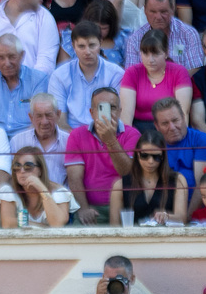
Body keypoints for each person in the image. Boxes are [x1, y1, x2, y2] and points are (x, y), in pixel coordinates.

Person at [66, 86, 139, 224]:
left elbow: (127, 173)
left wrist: (110, 140)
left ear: (120, 111)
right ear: (91, 112)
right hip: (91, 209)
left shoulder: (132, 134)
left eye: (112, 107)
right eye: (102, 108)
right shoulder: (77, 135)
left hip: (125, 208)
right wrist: (84, 208)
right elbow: (74, 177)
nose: (108, 112)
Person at [49, 20, 124, 130]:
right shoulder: (59, 75)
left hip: (105, 133)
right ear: (73, 46)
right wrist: (77, 141)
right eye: (81, 46)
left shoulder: (116, 74)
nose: (87, 52)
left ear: (100, 43)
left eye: (92, 45)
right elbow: (60, 121)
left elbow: (117, 116)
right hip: (70, 137)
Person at [119, 28, 192, 134]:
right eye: (145, 53)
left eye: (156, 54)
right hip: (139, 129)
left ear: (166, 53)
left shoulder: (179, 72)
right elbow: (126, 116)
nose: (150, 60)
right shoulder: (132, 73)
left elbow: (182, 113)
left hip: (169, 128)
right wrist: (129, 141)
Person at [0, 34, 49, 138]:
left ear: (22, 55)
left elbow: (38, 122)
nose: (7, 63)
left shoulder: (38, 80)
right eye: (1, 58)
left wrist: (18, 144)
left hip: (29, 140)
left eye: (12, 57)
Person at [109, 129, 187, 225]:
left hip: (166, 238)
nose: (150, 161)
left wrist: (166, 216)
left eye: (156, 157)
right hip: (133, 238)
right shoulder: (120, 185)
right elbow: (114, 225)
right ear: (137, 154)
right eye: (144, 155)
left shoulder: (177, 180)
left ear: (163, 156)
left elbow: (182, 218)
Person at [122, 0, 206, 72]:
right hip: (148, 85)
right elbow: (132, 74)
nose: (158, 17)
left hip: (182, 84)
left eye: (163, 11)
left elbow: (194, 70)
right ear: (145, 11)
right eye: (153, 12)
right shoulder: (135, 39)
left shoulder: (189, 34)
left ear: (172, 9)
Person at [0, 147, 71, 228]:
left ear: (40, 170)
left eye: (28, 166)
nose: (22, 171)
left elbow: (57, 223)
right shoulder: (9, 192)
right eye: (17, 166)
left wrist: (42, 189)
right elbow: (8, 224)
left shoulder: (59, 192)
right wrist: (45, 228)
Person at [152, 96, 206, 199]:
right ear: (157, 126)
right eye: (165, 123)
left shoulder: (201, 140)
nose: (172, 127)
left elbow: (202, 188)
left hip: (193, 210)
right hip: (161, 209)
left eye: (175, 120)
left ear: (184, 117)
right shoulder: (152, 145)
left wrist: (187, 215)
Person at [10, 92, 69, 185]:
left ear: (58, 114)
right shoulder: (17, 141)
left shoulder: (68, 141)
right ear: (31, 117)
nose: (44, 121)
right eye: (39, 116)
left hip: (60, 197)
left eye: (48, 115)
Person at [72, 254, 153, 294]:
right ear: (103, 278)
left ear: (131, 279)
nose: (115, 283)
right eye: (110, 280)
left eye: (119, 279)